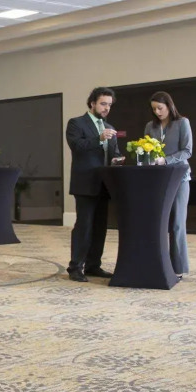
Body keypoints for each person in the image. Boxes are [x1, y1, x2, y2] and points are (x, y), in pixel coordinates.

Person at [66, 86, 124, 283]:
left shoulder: (110, 127)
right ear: (92, 103)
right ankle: (75, 267)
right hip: (85, 183)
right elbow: (77, 146)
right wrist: (98, 138)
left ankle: (93, 266)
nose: (106, 108)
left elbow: (113, 152)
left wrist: (117, 159)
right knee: (84, 226)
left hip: (104, 184)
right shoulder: (76, 123)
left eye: (109, 105)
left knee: (100, 227)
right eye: (103, 104)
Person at [144, 91, 192, 277]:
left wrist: (166, 160)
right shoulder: (150, 126)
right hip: (158, 179)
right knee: (158, 223)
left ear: (169, 106)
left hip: (179, 178)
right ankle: (159, 264)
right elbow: (146, 150)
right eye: (154, 109)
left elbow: (187, 151)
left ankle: (178, 268)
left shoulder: (182, 123)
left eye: (160, 108)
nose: (157, 112)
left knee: (177, 223)